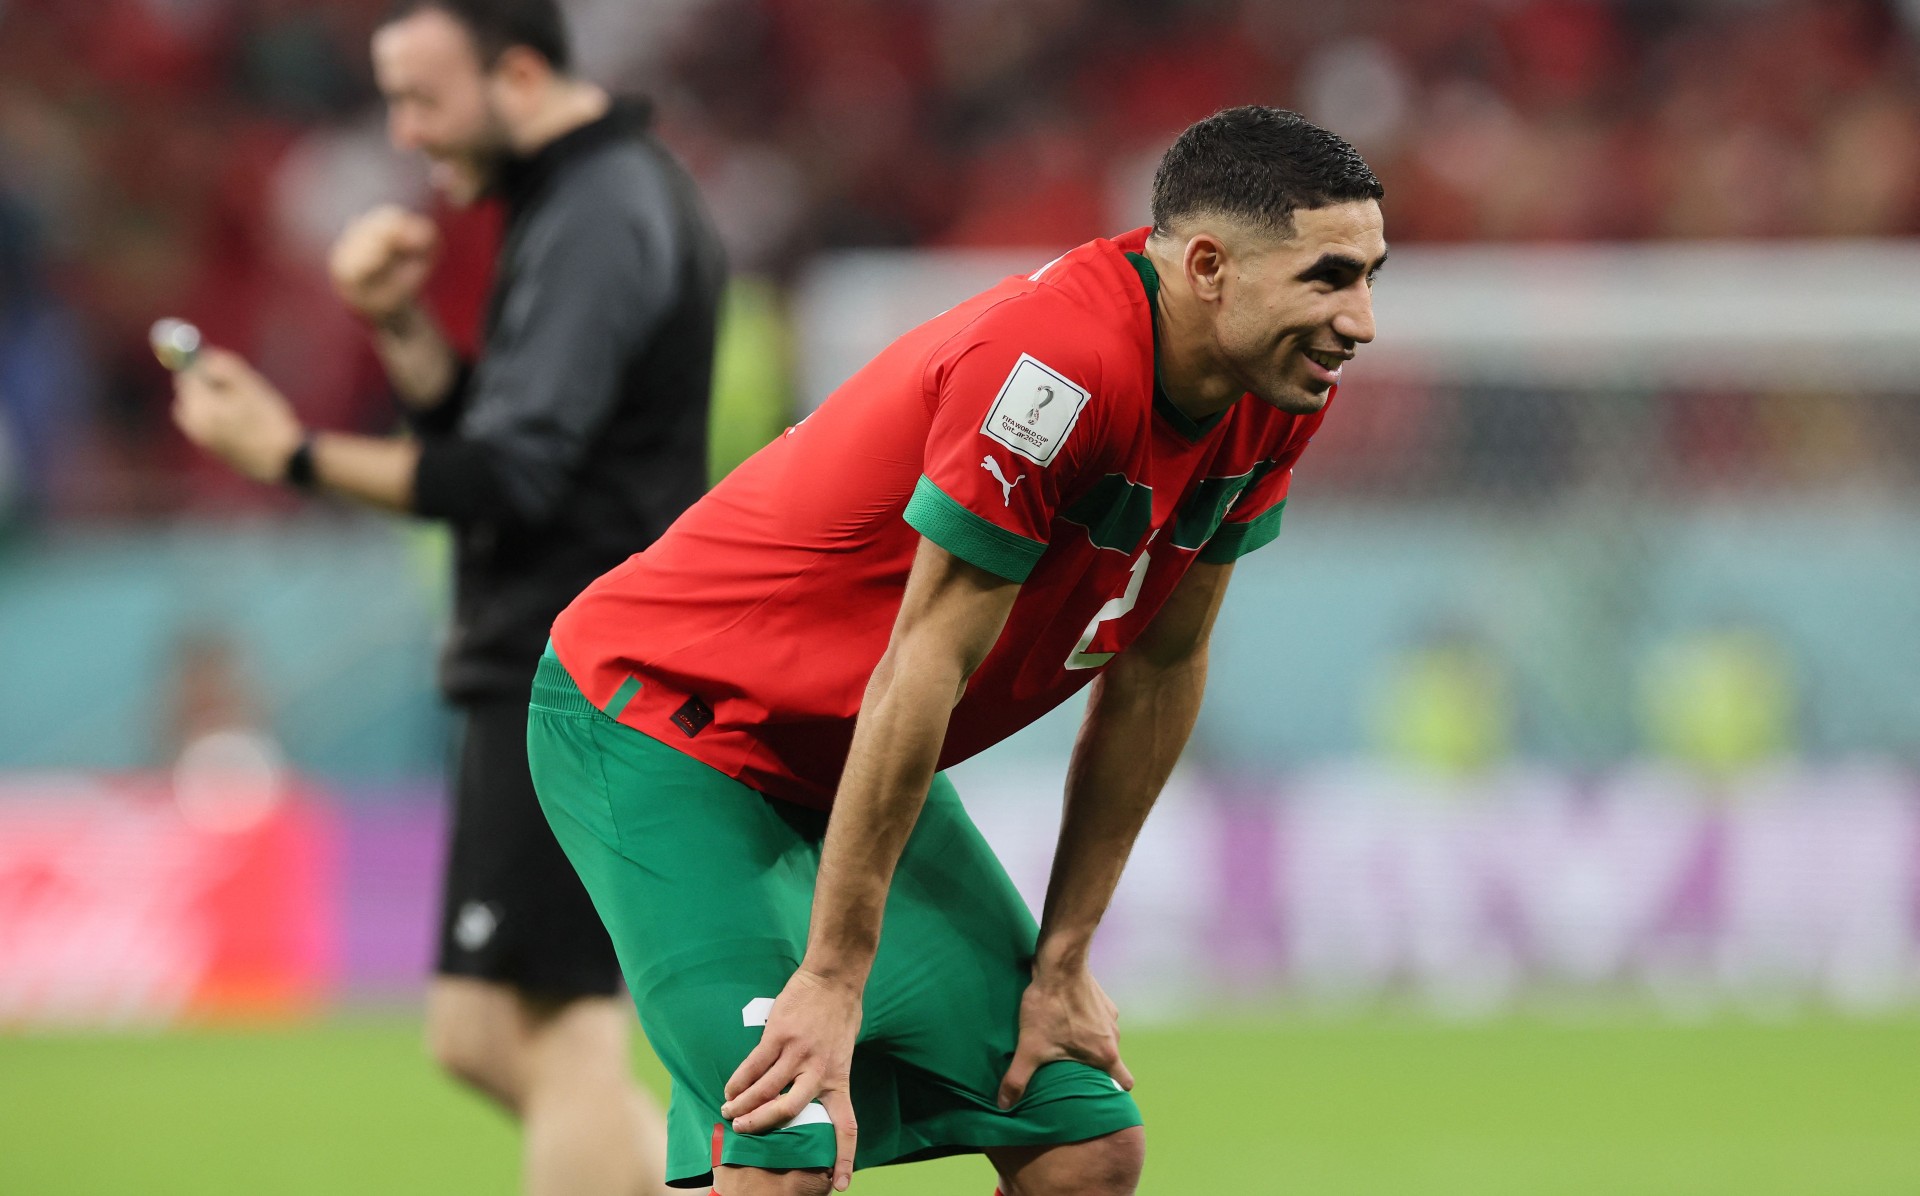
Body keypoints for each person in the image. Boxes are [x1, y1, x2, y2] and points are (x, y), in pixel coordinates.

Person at [529, 106, 1386, 1195]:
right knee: (786, 1136)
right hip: (667, 727)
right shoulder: (1056, 373)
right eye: (1328, 277)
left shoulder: (1270, 394)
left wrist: (1066, 956)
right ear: (1210, 265)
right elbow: (919, 664)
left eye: (1371, 275)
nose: (1360, 318)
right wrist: (834, 976)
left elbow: (1161, 666)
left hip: (848, 754)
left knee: (1082, 1141)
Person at [170, 3, 725, 1193]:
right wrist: (398, 324)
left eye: (422, 97)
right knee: (477, 1032)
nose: (404, 131)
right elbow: (513, 440)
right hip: (549, 659)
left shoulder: (600, 210)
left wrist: (291, 453)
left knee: (554, 1026)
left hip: (575, 668)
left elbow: (514, 477)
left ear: (517, 74)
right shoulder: (578, 201)